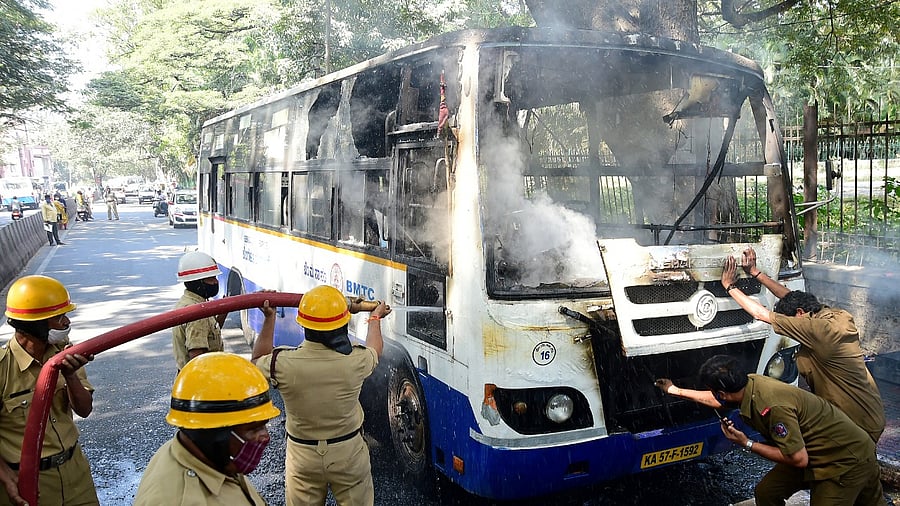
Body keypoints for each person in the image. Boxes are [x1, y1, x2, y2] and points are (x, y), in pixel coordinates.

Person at [721, 247, 885, 442]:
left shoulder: (815, 330)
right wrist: (755, 273)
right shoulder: (833, 316)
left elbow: (760, 314)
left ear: (800, 314)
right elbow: (791, 297)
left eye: (790, 319)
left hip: (856, 422)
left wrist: (729, 286)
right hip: (871, 413)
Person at [251, 285, 391, 506]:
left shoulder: (282, 363)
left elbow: (257, 359)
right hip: (348, 453)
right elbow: (375, 348)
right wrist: (375, 319)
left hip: (302, 456)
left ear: (304, 326)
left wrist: (269, 318)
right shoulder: (355, 361)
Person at [693, 355, 883, 506]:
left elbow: (798, 459)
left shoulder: (773, 406)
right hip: (814, 453)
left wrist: (747, 443)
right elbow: (715, 400)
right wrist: (674, 390)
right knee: (767, 492)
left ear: (723, 393)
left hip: (844, 460)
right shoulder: (751, 382)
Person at [0, 275, 99, 506]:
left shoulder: (64, 353)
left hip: (76, 474)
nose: (66, 323)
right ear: (32, 324)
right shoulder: (3, 370)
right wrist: (7, 478)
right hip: (29, 482)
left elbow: (84, 409)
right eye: (58, 317)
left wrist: (71, 375)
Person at [134, 352, 280, 505]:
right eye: (254, 429)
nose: (266, 436)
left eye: (264, 424)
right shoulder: (184, 500)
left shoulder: (210, 457)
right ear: (212, 434)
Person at [171, 251, 230, 371]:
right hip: (200, 381)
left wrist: (224, 312)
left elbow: (210, 333)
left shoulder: (188, 302)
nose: (216, 282)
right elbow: (197, 358)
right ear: (199, 283)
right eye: (212, 279)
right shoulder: (197, 314)